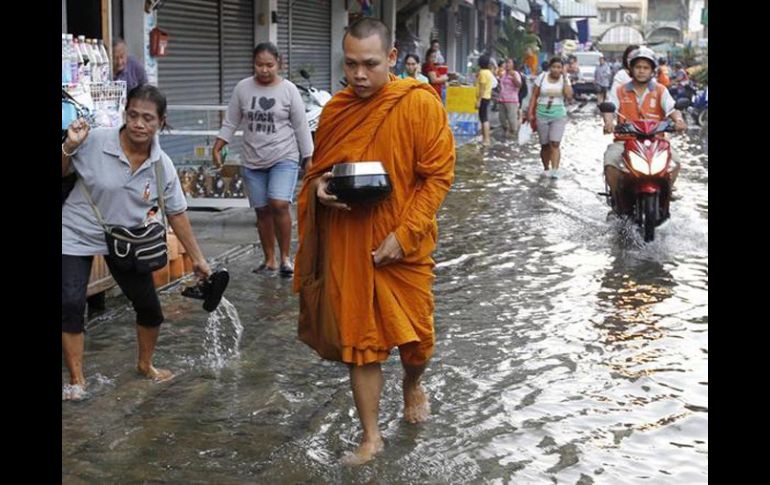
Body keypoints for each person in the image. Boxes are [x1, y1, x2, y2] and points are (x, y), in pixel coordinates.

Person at [293, 17, 455, 465]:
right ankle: (371, 437)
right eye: (350, 64)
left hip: (404, 241)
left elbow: (438, 176)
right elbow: (316, 174)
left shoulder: (419, 104)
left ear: (391, 59)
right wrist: (321, 190)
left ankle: (412, 383)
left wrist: (403, 236)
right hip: (350, 241)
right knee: (361, 343)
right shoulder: (337, 110)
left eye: (369, 64)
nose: (359, 75)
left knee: (418, 342)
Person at [61, 85, 212, 401]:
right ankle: (77, 380)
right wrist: (68, 148)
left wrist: (198, 257)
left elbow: (177, 213)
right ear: (124, 114)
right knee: (70, 303)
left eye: (148, 118)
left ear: (161, 122)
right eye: (133, 115)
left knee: (149, 308)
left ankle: (146, 365)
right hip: (76, 231)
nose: (139, 124)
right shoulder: (94, 140)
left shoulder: (162, 165)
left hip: (127, 241)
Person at [212, 43, 313, 277]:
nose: (264, 70)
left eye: (270, 65)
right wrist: (219, 145)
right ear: (253, 64)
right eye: (260, 65)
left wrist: (308, 157)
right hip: (252, 159)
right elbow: (231, 120)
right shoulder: (243, 88)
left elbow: (301, 126)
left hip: (284, 156)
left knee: (279, 204)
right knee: (262, 210)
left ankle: (287, 258)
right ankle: (270, 260)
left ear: (279, 64)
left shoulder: (288, 90)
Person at [602, 47, 686, 200]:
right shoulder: (620, 90)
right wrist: (609, 122)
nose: (641, 71)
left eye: (646, 68)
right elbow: (610, 108)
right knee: (610, 162)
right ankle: (616, 197)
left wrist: (679, 120)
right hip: (625, 140)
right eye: (638, 67)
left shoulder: (661, 90)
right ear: (631, 69)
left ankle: (667, 193)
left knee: (675, 162)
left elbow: (672, 109)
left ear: (652, 71)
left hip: (656, 142)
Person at [526, 57, 573, 178]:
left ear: (562, 69)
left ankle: (555, 171)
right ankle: (546, 168)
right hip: (541, 115)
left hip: (558, 115)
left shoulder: (564, 79)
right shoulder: (542, 77)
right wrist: (530, 113)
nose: (556, 70)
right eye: (554, 67)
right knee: (545, 145)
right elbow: (534, 96)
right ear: (550, 67)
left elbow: (569, 96)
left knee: (555, 143)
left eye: (559, 67)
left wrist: (566, 77)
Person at [496, 58, 522, 139]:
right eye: (506, 62)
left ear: (513, 65)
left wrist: (513, 77)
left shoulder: (515, 74)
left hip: (512, 100)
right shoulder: (503, 74)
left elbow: (519, 85)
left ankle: (514, 134)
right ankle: (507, 132)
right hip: (502, 99)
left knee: (512, 119)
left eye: (509, 63)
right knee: (502, 119)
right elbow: (501, 85)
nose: (507, 64)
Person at [475, 54, 495, 146]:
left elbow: (482, 87)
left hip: (483, 97)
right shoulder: (489, 72)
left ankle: (486, 139)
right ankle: (485, 138)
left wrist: (478, 100)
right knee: (484, 117)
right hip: (487, 96)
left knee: (483, 118)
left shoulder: (483, 73)